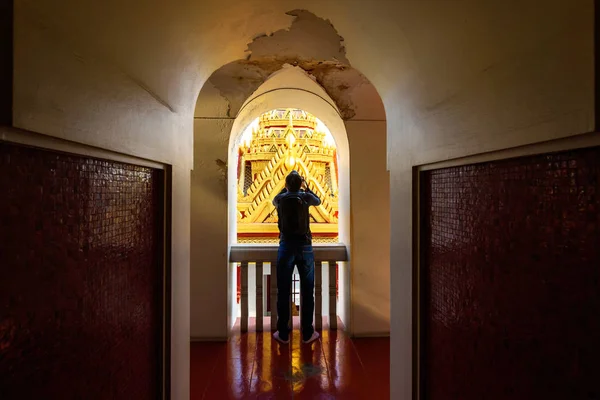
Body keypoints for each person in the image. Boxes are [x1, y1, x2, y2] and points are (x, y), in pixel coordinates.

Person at [272, 170, 321, 344]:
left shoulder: (280, 199)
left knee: (283, 290)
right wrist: (306, 188)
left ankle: (283, 333)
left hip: (285, 246)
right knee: (308, 291)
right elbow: (319, 200)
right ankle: (307, 332)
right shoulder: (305, 198)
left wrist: (285, 189)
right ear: (300, 183)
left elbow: (273, 200)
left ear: (286, 185)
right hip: (305, 247)